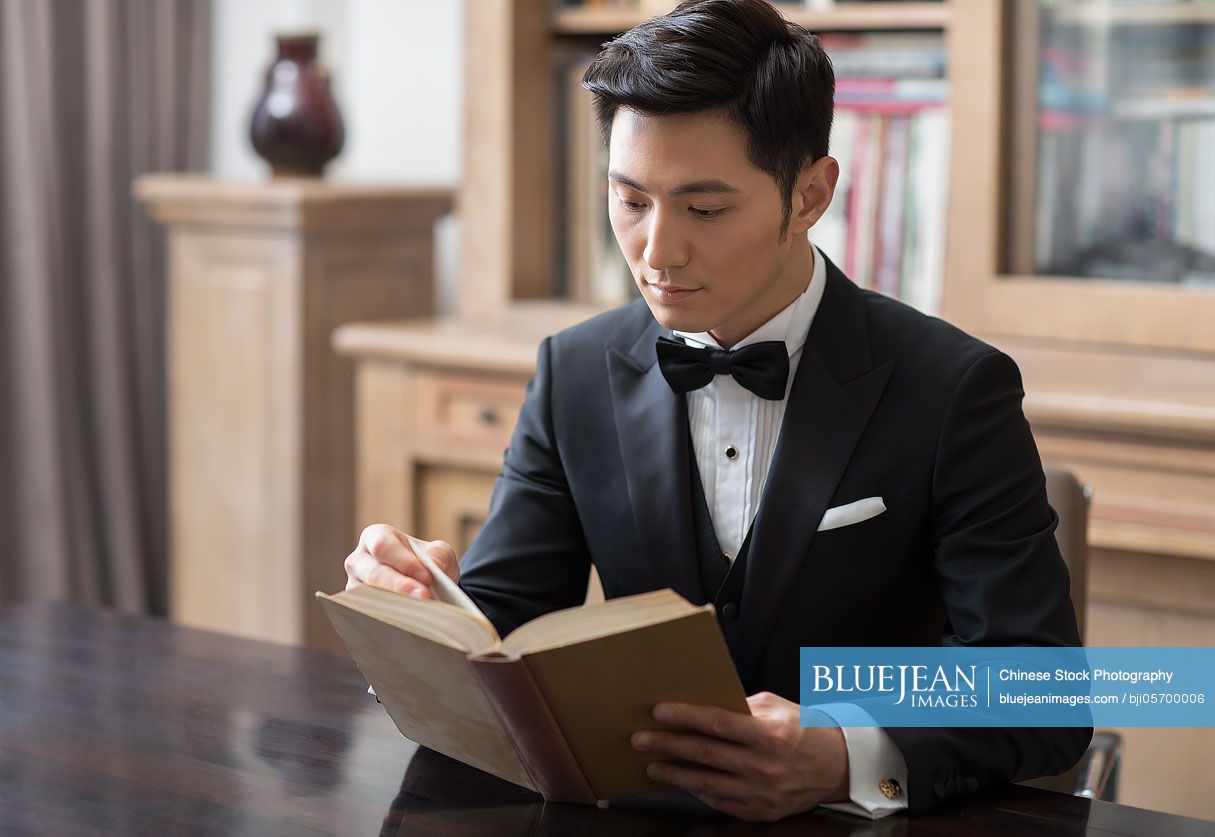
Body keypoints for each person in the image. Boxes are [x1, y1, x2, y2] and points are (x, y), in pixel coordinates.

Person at [344, 0, 1090, 822]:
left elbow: (1040, 695)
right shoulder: (574, 373)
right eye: (629, 201)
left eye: (703, 210)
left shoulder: (954, 389)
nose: (656, 252)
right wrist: (415, 613)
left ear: (809, 194)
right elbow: (502, 636)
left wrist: (844, 754)